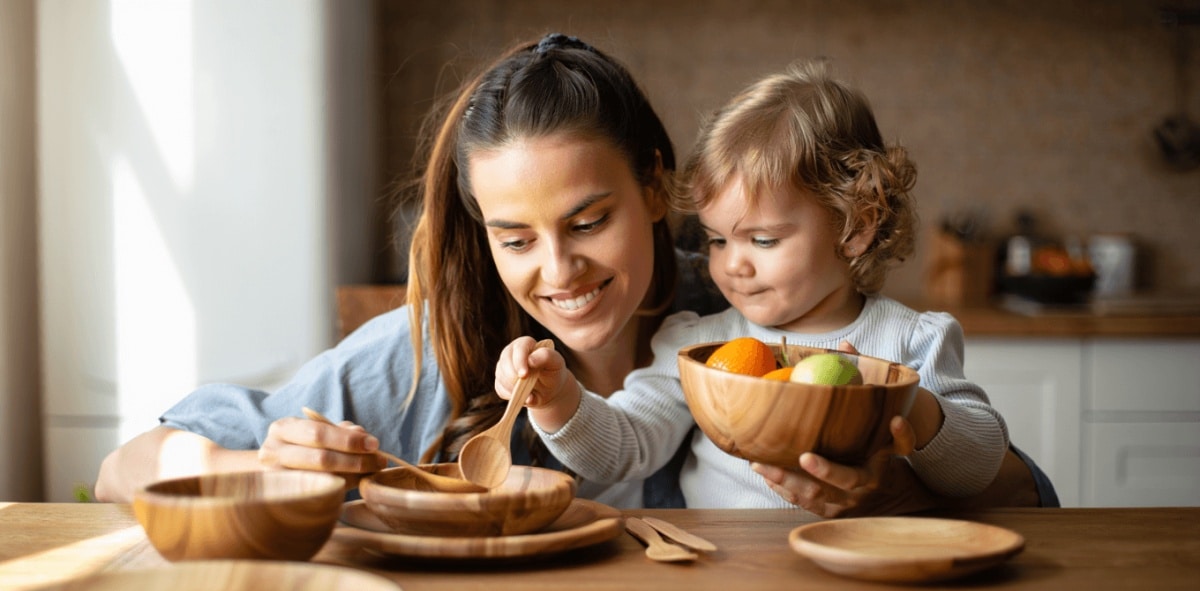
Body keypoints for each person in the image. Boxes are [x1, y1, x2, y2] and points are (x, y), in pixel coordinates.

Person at [95, 35, 1054, 515]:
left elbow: (1031, 503)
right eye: (516, 238)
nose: (559, 272)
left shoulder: (732, 321)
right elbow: (122, 471)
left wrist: (888, 483)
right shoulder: (436, 347)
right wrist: (258, 466)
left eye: (590, 220)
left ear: (654, 187)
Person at [494, 60, 1048, 511]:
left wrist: (914, 409)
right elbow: (626, 447)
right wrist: (559, 401)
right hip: (724, 588)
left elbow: (978, 466)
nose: (732, 266)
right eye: (715, 241)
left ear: (857, 225)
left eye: (761, 241)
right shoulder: (699, 347)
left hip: (867, 588)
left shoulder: (911, 344)